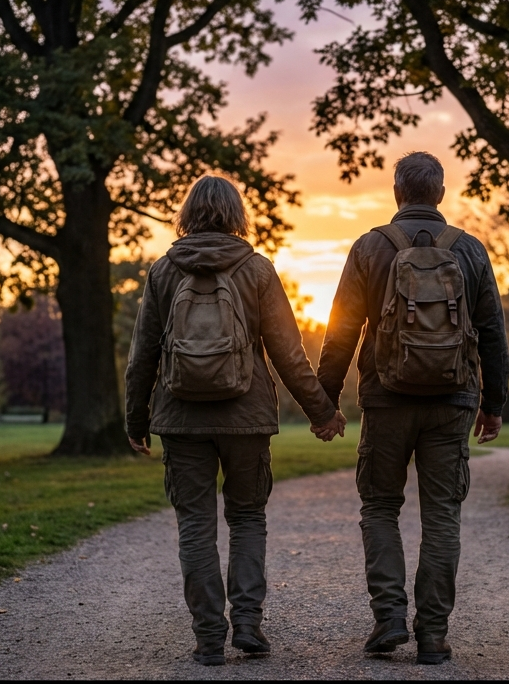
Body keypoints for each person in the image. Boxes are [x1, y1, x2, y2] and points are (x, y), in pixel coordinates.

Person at [124, 175, 347, 666]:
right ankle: (247, 624)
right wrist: (323, 413)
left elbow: (142, 356)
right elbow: (289, 355)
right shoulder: (257, 270)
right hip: (246, 416)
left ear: (188, 213)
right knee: (247, 516)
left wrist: (136, 419)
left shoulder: (164, 271)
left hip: (180, 419)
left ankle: (208, 637)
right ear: (236, 214)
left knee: (195, 525)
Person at [315, 151, 509, 664]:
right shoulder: (469, 250)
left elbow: (340, 332)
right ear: (440, 194)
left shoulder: (370, 246)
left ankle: (388, 619)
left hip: (385, 399)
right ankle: (433, 635)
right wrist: (494, 404)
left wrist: (324, 402)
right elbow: (492, 332)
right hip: (453, 402)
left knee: (380, 507)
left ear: (397, 192)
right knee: (442, 514)